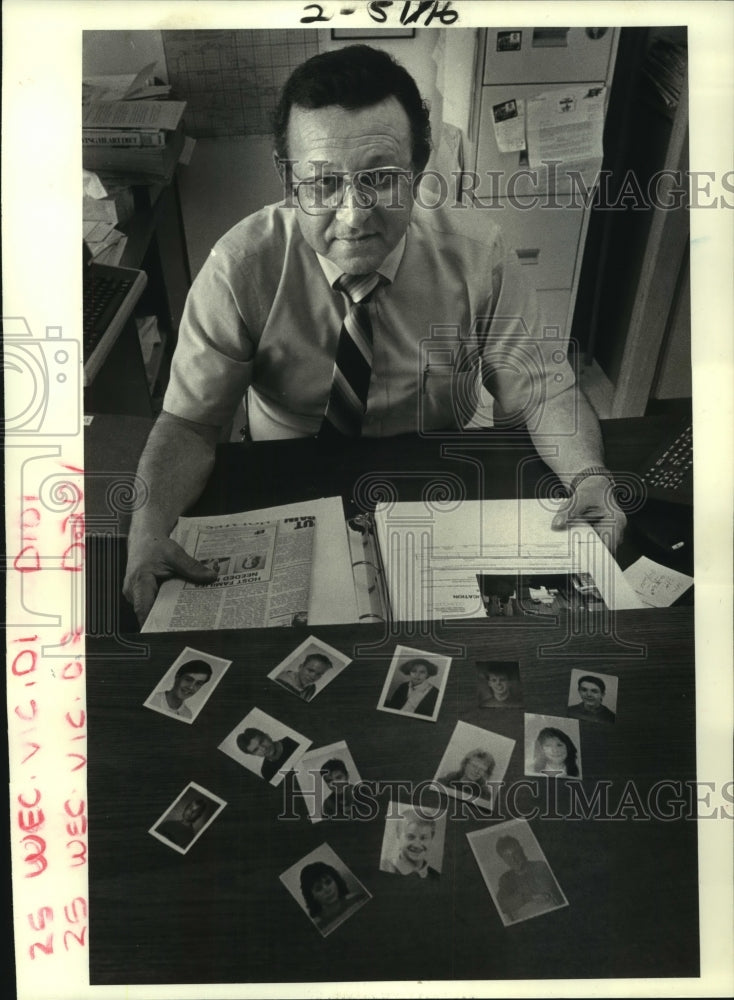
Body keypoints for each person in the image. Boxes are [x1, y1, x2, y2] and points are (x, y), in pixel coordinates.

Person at [123, 44, 626, 624]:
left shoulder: (477, 253)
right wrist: (146, 532)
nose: (354, 214)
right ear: (288, 179)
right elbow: (189, 423)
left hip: (433, 477)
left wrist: (589, 477)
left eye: (381, 178)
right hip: (285, 472)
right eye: (322, 183)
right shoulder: (241, 266)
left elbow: (541, 392)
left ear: (420, 165)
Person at [495, 835, 564, 923]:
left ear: (522, 851)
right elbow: (503, 905)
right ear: (503, 860)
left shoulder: (540, 865)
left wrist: (517, 897)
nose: (513, 860)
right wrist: (529, 897)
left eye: (515, 853)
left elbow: (545, 886)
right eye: (507, 857)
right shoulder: (505, 879)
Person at [299, 861, 365, 931]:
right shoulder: (318, 926)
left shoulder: (358, 899)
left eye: (328, 882)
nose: (327, 890)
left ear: (336, 881)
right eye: (319, 888)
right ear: (312, 896)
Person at [381, 807, 440, 879]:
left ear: (432, 838)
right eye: (410, 837)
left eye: (423, 838)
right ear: (398, 834)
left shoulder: (436, 877)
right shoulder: (385, 868)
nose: (417, 844)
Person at [149, 659, 213, 720]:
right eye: (188, 680)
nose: (191, 687)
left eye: (198, 683)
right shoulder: (151, 699)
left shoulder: (188, 715)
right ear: (177, 677)